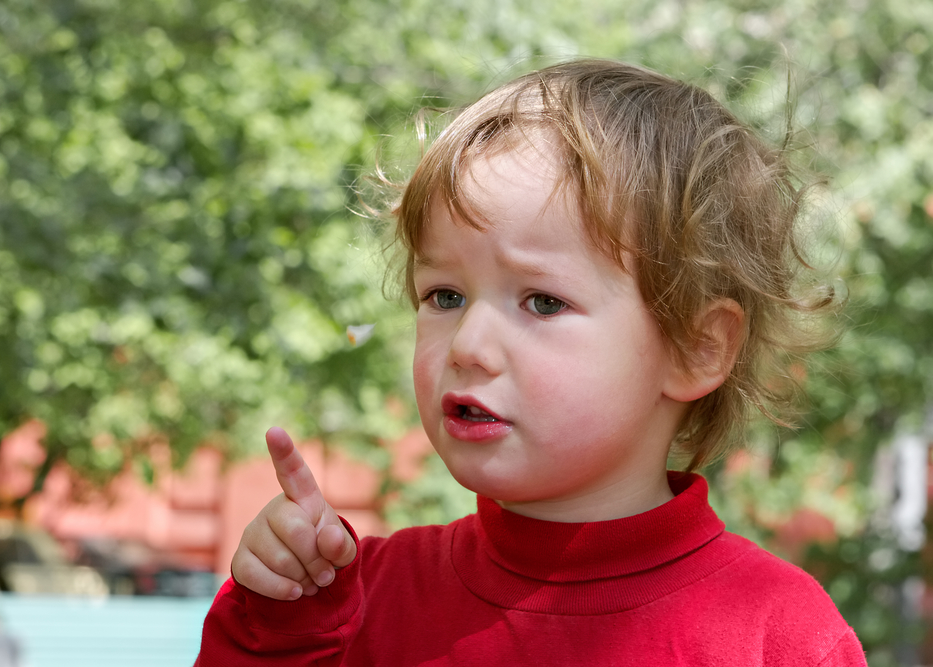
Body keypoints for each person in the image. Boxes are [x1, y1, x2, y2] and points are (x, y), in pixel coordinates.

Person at [195, 59, 866, 666]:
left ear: (698, 347)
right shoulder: (357, 605)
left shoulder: (778, 636)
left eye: (543, 302)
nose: (468, 344)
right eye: (445, 295)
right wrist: (280, 617)